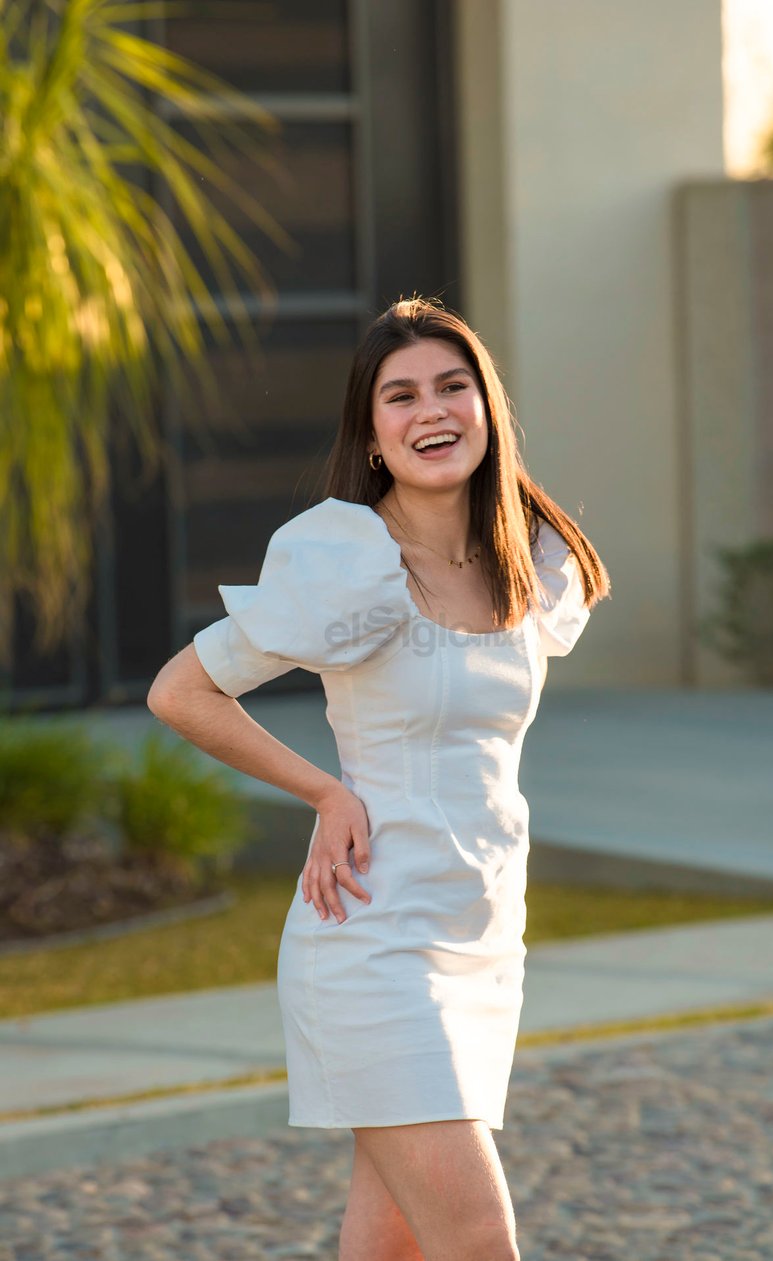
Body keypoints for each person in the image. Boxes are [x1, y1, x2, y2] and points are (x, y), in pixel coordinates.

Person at [147, 296, 610, 1261]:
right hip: (373, 940)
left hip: (481, 938)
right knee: (478, 1238)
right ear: (371, 433)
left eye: (453, 386)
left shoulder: (525, 559)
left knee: (390, 1245)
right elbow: (182, 691)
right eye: (400, 396)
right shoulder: (349, 560)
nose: (430, 410)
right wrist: (326, 790)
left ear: (487, 406)